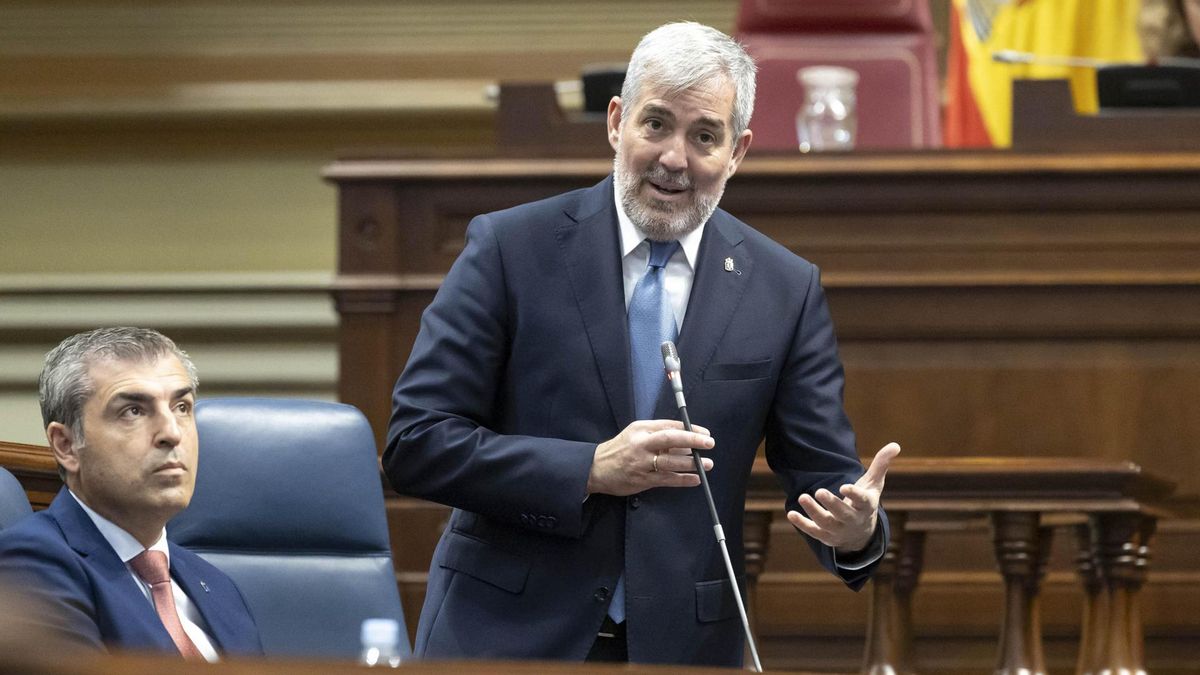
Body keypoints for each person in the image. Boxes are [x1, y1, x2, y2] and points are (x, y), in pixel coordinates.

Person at [385, 21, 899, 667]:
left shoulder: (784, 289)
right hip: (505, 639)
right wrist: (589, 469)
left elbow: (823, 475)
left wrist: (855, 531)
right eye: (656, 124)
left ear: (737, 152)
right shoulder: (510, 250)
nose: (674, 158)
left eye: (703, 136)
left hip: (680, 650)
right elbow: (415, 441)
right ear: (616, 121)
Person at [0, 327, 262, 659]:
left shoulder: (216, 585)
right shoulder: (32, 564)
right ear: (66, 445)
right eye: (133, 411)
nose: (171, 432)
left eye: (182, 407)